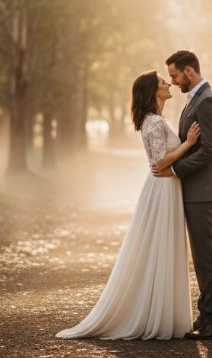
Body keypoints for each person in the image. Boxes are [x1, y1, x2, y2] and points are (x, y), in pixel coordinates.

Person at [56, 71, 200, 340]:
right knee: (158, 246)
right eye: (162, 82)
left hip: (166, 187)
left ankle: (162, 311)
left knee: (162, 246)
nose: (168, 84)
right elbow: (159, 162)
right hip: (162, 187)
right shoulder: (154, 122)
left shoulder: (155, 120)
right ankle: (153, 313)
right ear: (152, 92)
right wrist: (189, 144)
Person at [153, 50, 212, 340]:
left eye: (174, 75)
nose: (172, 81)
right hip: (197, 190)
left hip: (205, 191)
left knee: (208, 256)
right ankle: (206, 314)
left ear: (189, 70)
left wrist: (176, 170)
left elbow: (210, 150)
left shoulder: (208, 101)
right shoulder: (195, 99)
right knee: (201, 256)